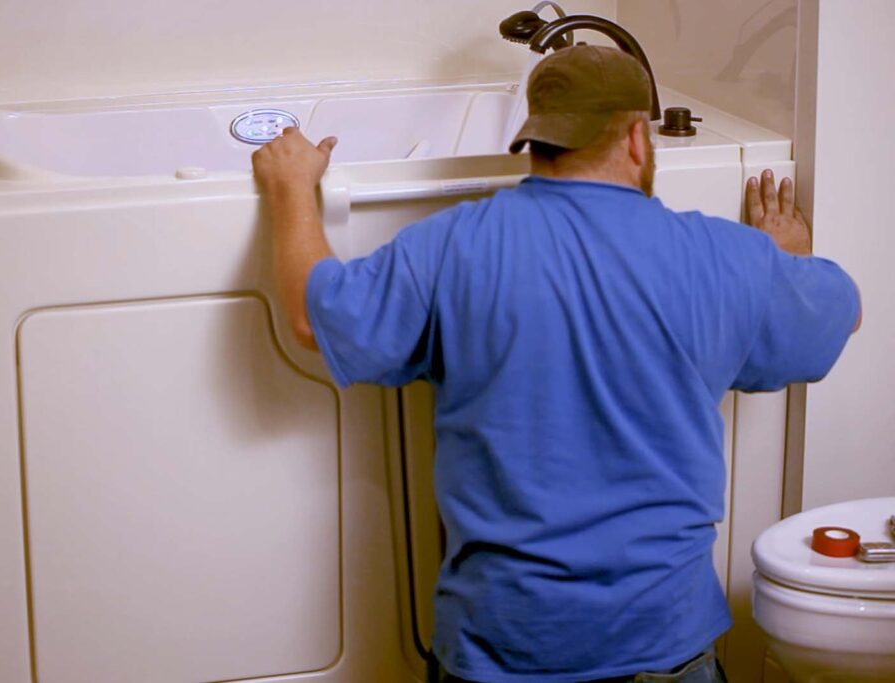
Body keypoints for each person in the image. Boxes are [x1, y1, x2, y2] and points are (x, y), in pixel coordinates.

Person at [252, 45, 861, 683]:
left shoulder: (456, 244)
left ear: (536, 141)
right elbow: (845, 315)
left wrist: (291, 190)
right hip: (662, 644)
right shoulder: (722, 258)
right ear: (635, 137)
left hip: (500, 650)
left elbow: (309, 317)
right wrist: (781, 260)